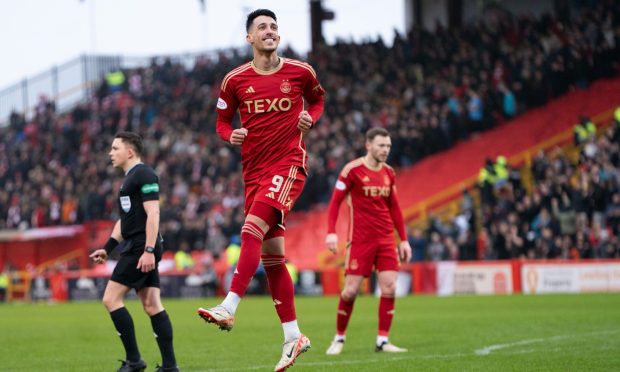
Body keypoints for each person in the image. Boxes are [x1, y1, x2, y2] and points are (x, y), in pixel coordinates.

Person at [196, 8, 324, 372]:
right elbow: (221, 121)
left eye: (273, 27)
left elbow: (317, 100)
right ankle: (293, 336)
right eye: (262, 27)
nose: (269, 31)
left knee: (250, 230)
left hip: (289, 165)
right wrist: (229, 135)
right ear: (249, 38)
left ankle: (229, 306)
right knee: (273, 259)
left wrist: (310, 118)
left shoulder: (301, 72)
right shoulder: (234, 80)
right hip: (253, 172)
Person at [90, 132, 179, 372]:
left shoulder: (144, 174)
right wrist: (107, 248)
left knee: (110, 299)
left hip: (141, 247)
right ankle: (170, 367)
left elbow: (154, 214)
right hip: (138, 245)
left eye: (115, 148)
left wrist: (149, 250)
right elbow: (125, 221)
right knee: (152, 305)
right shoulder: (130, 179)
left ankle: (134, 361)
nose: (111, 153)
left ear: (130, 152)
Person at [324, 127, 412, 355]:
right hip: (360, 239)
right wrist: (331, 232)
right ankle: (339, 338)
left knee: (390, 287)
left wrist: (403, 240)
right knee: (350, 291)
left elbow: (395, 207)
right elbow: (334, 203)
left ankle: (383, 340)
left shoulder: (389, 173)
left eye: (388, 146)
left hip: (385, 239)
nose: (385, 150)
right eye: (381, 145)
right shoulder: (351, 171)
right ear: (368, 146)